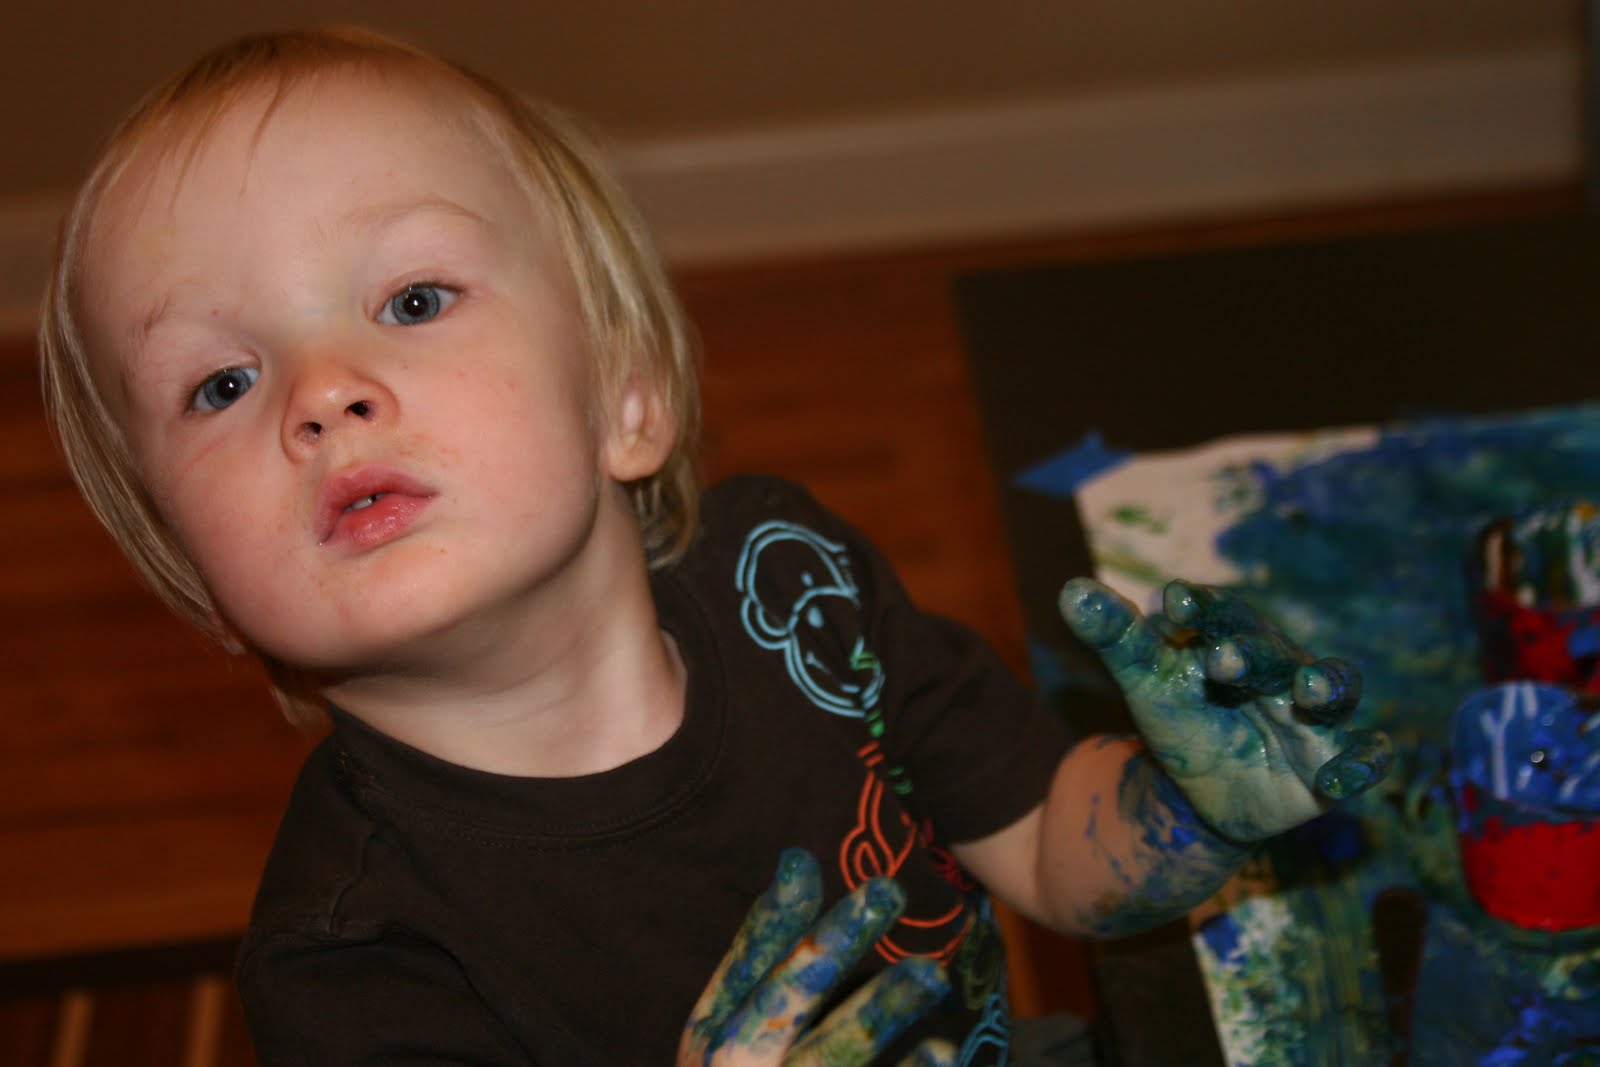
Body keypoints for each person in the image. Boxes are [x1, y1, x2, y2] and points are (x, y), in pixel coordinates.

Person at [37, 26, 1391, 1067]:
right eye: (220, 384)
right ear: (197, 576)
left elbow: (1043, 845)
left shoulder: (789, 578)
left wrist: (1191, 813)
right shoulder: (352, 959)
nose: (323, 393)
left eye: (413, 299)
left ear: (626, 398)